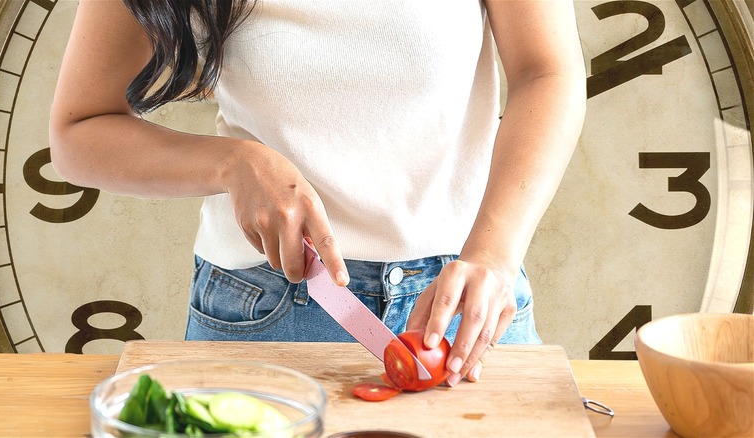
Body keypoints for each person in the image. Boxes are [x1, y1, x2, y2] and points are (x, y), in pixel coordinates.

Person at [49, 0, 586, 387]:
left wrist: (493, 254)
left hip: (466, 300)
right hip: (267, 307)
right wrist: (235, 162)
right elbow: (78, 132)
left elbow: (548, 71)